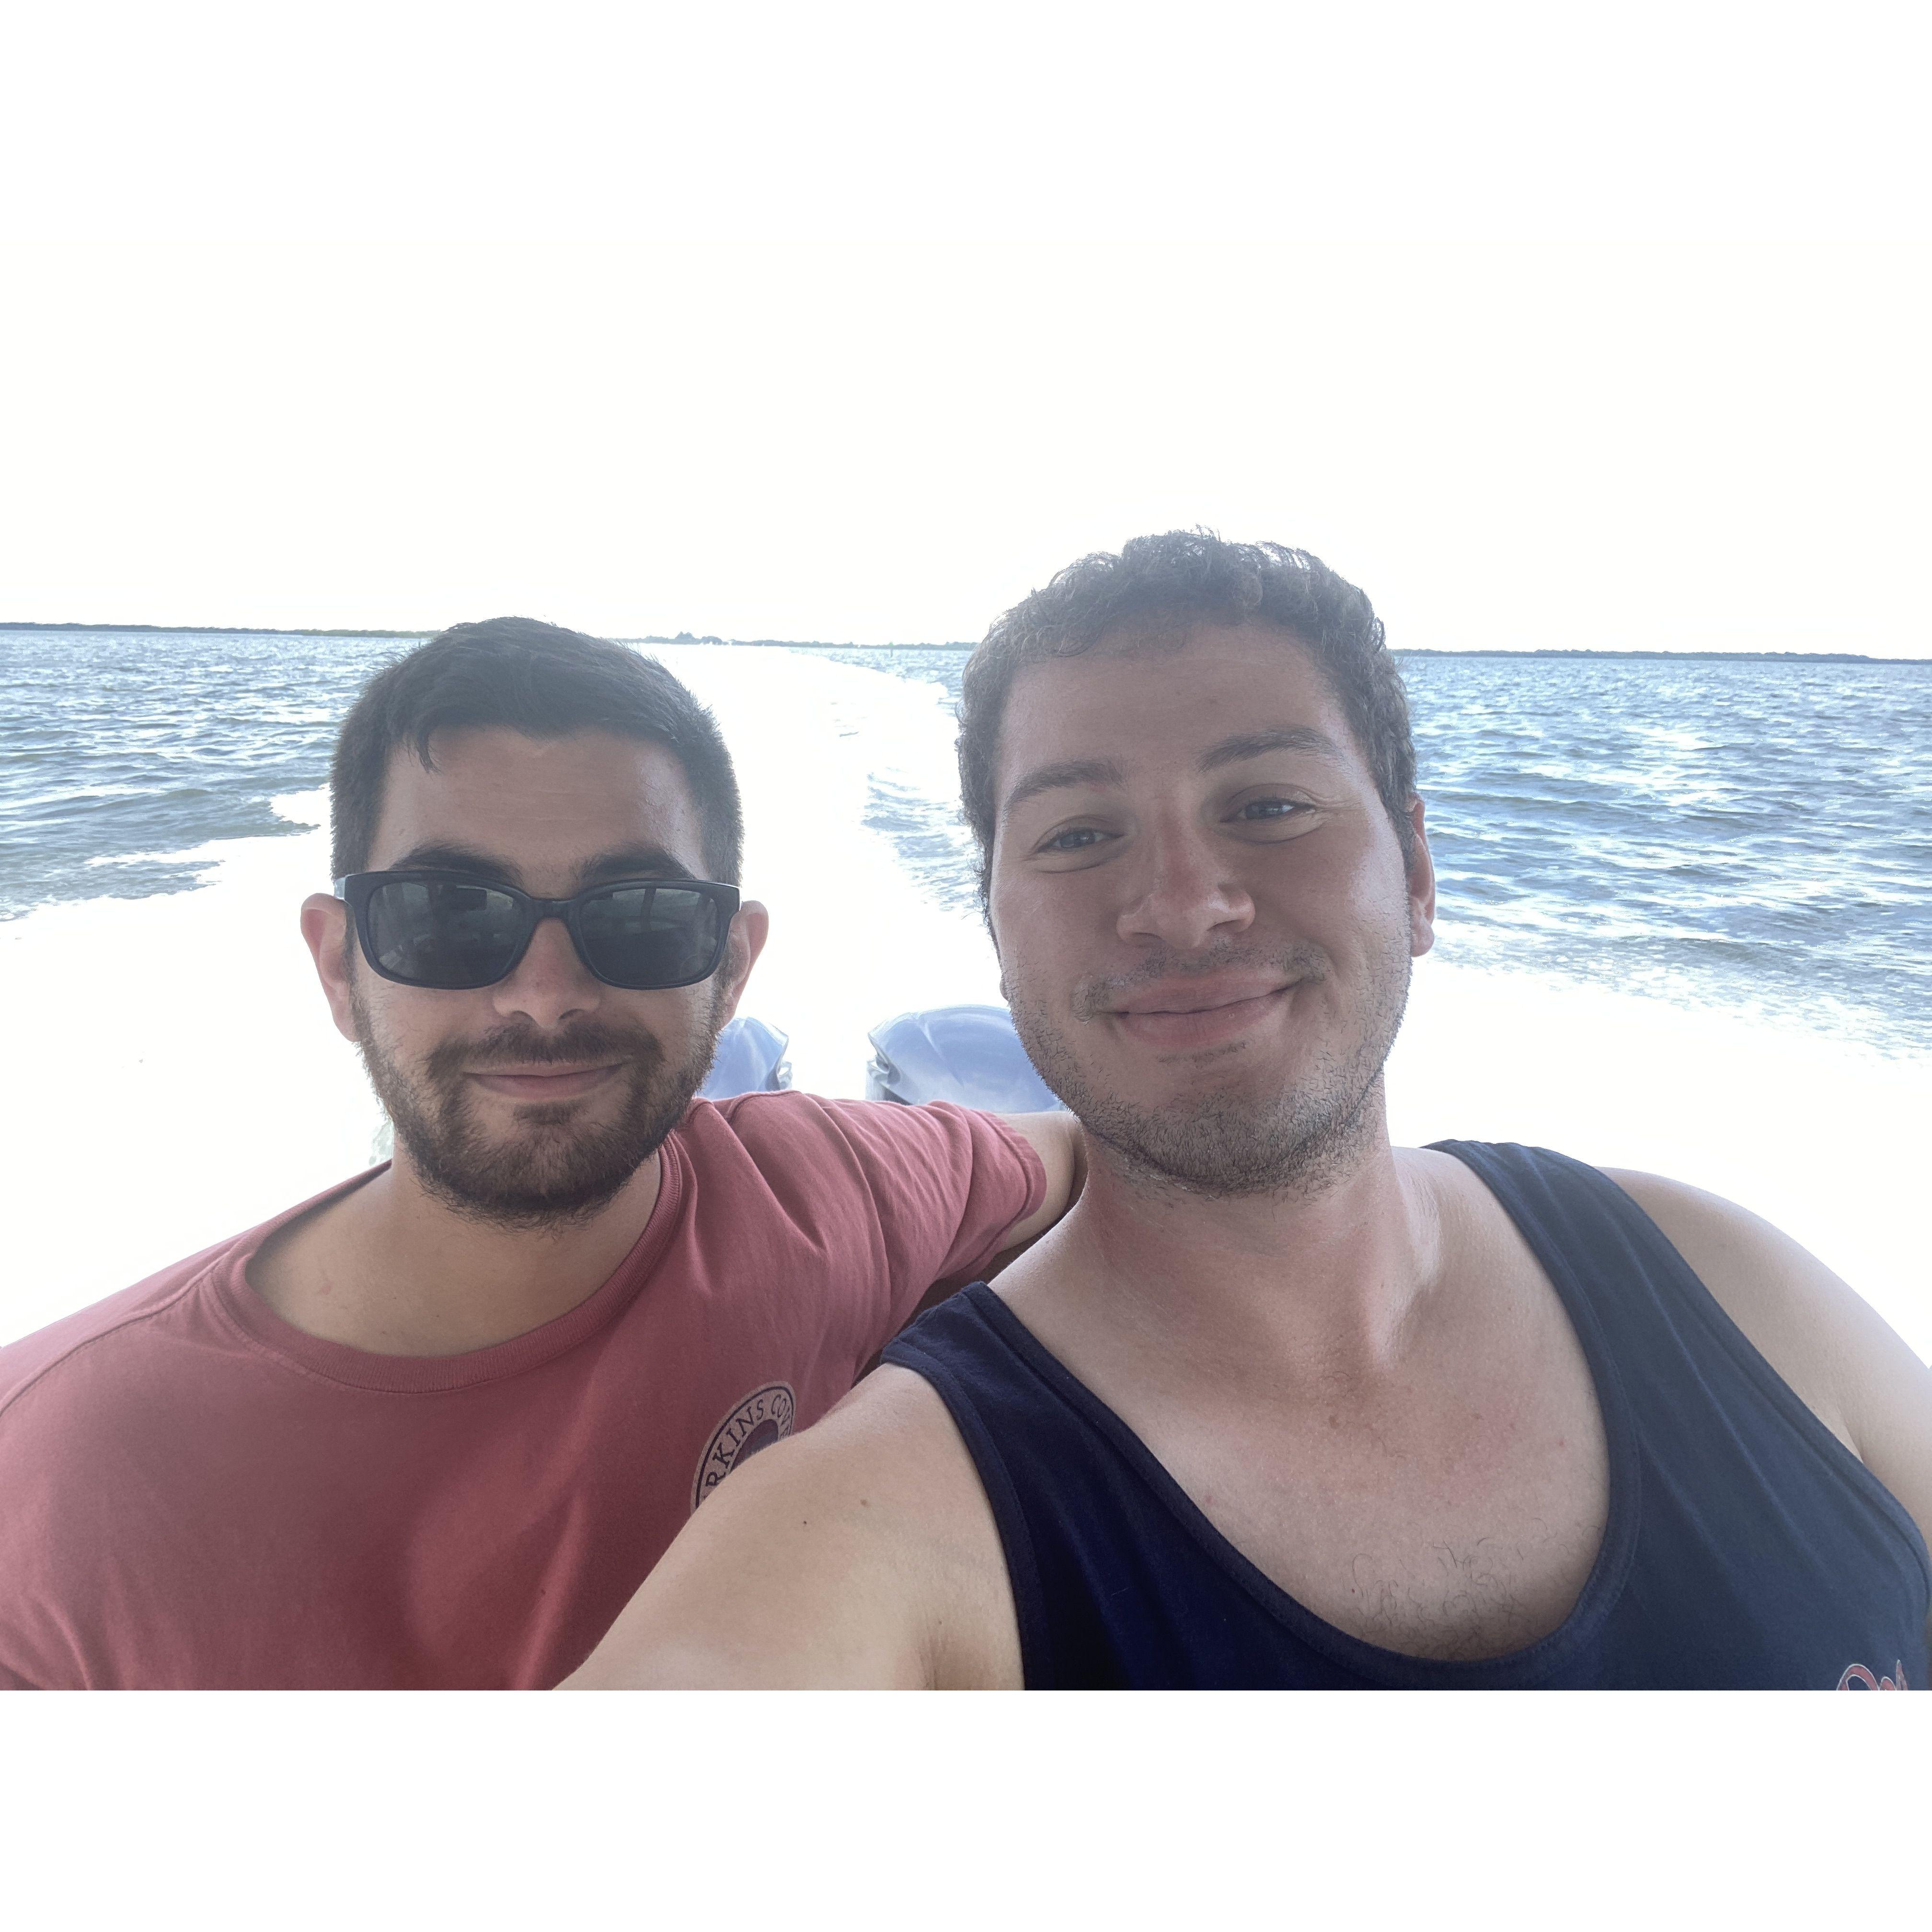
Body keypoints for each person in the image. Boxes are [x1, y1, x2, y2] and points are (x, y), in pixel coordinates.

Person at [570, 533, 1932, 1690]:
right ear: (996, 929)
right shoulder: (875, 1524)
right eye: (1079, 835)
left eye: (1269, 805)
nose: (1183, 905)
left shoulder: (1721, 1281)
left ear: (1417, 874)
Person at [0, 618, 1080, 1689]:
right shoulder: (53, 1489)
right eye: (448, 915)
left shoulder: (830, 1185)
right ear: (339, 969)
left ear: (731, 970)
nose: (546, 995)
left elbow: (1084, 1162)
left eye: (642, 915)